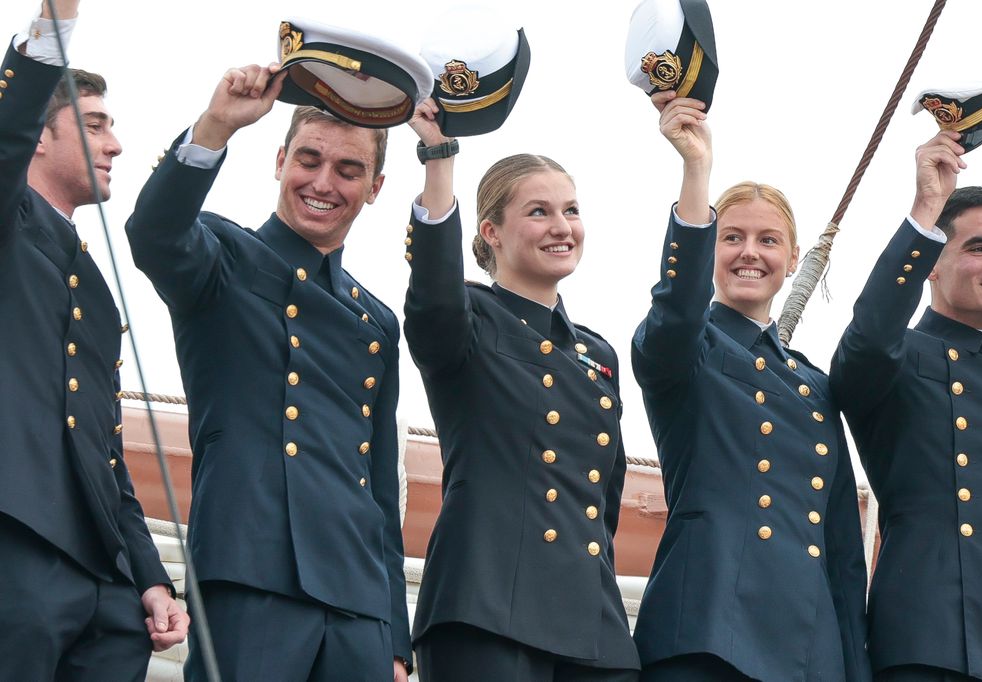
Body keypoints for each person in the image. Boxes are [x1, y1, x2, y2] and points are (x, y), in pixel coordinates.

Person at [125, 62, 410, 681]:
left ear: (376, 185)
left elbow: (378, 484)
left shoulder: (379, 321)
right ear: (279, 159)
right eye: (309, 159)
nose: (324, 182)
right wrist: (216, 125)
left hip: (358, 599)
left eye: (348, 169)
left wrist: (393, 633)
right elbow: (153, 233)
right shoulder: (223, 257)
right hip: (251, 570)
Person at [630, 92, 870, 681]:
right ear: (709, 250)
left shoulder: (814, 385)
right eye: (731, 236)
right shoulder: (688, 347)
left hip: (806, 650)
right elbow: (678, 310)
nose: (749, 253)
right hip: (707, 634)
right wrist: (696, 172)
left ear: (793, 260)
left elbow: (839, 546)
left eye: (768, 240)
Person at [403, 98, 641, 682]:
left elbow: (601, 501)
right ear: (491, 232)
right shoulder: (466, 319)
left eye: (571, 210)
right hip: (487, 609)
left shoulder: (596, 353)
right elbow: (433, 294)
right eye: (539, 212)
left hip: (589, 621)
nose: (562, 227)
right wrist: (439, 158)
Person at [0, 1, 188, 680]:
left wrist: (150, 577)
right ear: (39, 138)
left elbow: (103, 448)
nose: (116, 145)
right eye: (95, 124)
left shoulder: (99, 291)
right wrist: (56, 22)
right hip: (19, 548)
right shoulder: (11, 224)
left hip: (106, 592)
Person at [831, 130, 982, 682]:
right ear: (930, 266)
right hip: (929, 641)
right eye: (980, 247)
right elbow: (868, 340)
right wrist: (925, 213)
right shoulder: (899, 358)